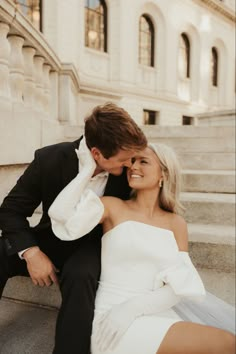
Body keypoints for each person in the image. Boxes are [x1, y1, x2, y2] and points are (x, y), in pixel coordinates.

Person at [49, 142, 235, 354]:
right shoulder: (112, 206)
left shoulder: (176, 223)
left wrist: (132, 309)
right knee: (226, 343)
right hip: (112, 318)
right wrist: (87, 171)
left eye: (143, 161)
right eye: (133, 161)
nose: (133, 167)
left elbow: (180, 287)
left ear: (163, 174)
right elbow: (60, 216)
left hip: (153, 312)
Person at [0, 103, 147, 354]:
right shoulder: (49, 159)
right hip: (48, 239)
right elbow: (10, 210)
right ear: (97, 153)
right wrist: (32, 253)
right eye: (124, 160)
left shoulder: (128, 173)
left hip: (91, 246)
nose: (130, 165)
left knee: (82, 275)